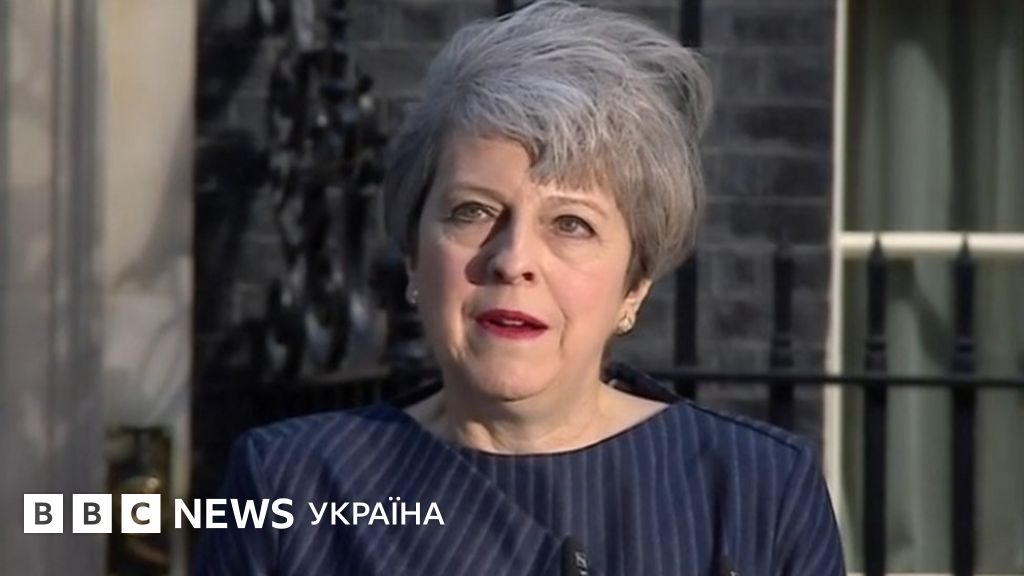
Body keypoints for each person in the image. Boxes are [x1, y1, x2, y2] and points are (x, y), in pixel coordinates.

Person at [194, 1, 846, 574]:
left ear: (634, 287)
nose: (513, 260)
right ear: (413, 257)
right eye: (473, 211)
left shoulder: (759, 491)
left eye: (571, 224)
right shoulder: (290, 483)